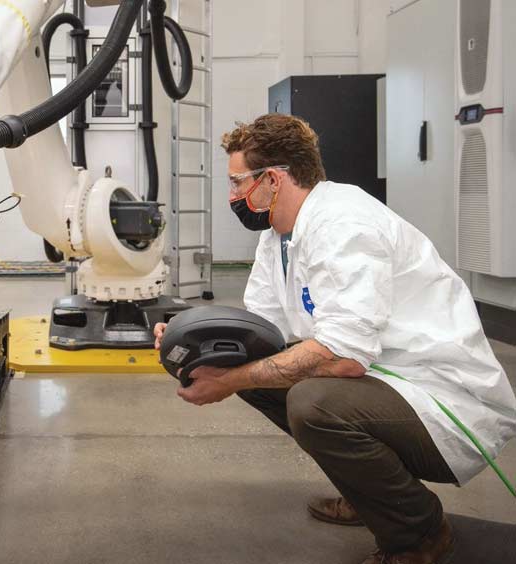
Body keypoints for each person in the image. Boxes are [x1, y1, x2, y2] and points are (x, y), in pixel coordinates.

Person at [154, 114, 516, 564]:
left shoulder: (344, 223)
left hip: (442, 402)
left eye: (236, 183)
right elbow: (261, 336)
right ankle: (374, 498)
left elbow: (344, 359)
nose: (232, 197)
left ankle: (420, 537)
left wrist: (230, 381)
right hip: (386, 381)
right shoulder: (278, 238)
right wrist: (191, 332)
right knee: (254, 374)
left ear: (272, 178)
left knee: (314, 402)